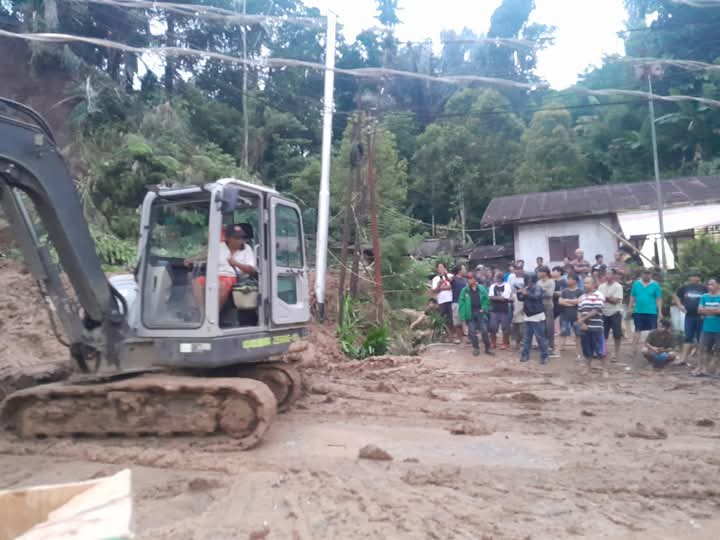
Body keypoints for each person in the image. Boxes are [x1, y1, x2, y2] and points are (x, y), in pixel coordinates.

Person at [186, 223, 257, 313]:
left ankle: (213, 314)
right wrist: (191, 260)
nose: (240, 240)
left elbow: (251, 270)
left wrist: (236, 264)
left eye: (241, 237)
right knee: (196, 281)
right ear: (228, 238)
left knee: (222, 285)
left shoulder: (247, 249)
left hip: (234, 277)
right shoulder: (219, 247)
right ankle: (201, 312)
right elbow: (206, 257)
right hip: (216, 276)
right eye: (236, 238)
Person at [673, 272, 708, 366]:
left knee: (701, 338)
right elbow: (676, 296)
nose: (693, 278)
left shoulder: (704, 288)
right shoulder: (684, 288)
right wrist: (680, 305)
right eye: (691, 276)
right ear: (689, 278)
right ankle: (683, 359)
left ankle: (700, 361)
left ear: (699, 278)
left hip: (702, 316)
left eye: (695, 276)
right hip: (689, 316)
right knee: (688, 337)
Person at [517, 274, 550, 364]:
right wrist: (519, 292)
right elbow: (521, 299)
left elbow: (537, 297)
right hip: (528, 316)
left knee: (540, 338)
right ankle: (525, 355)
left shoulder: (538, 287)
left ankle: (544, 356)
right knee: (527, 338)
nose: (527, 282)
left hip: (537, 316)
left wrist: (526, 293)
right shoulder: (526, 288)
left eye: (528, 280)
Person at [459, 274, 494, 357]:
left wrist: (484, 308)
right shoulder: (465, 290)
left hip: (480, 313)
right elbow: (462, 303)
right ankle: (476, 348)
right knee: (472, 332)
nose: (469, 280)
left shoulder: (481, 288)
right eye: (468, 279)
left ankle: (487, 348)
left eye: (470, 278)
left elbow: (487, 300)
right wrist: (463, 316)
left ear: (475, 279)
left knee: (484, 331)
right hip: (470, 313)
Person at [578, 277, 607, 375]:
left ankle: (604, 370)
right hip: (584, 328)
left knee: (600, 350)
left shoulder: (599, 295)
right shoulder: (582, 297)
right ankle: (587, 368)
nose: (585, 285)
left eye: (587, 283)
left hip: (596, 327)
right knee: (587, 349)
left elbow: (596, 310)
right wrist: (581, 323)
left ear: (594, 284)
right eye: (584, 283)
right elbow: (579, 311)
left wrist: (582, 320)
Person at [628, 269, 663, 349]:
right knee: (637, 330)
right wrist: (630, 308)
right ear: (641, 274)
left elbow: (659, 299)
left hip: (652, 311)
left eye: (648, 274)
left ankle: (652, 348)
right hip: (638, 311)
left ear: (651, 275)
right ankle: (633, 349)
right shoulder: (636, 284)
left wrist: (660, 311)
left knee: (653, 331)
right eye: (645, 273)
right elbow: (632, 296)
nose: (646, 275)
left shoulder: (655, 285)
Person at [694, 279, 720, 377]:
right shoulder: (704, 296)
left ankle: (717, 370)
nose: (709, 286)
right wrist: (714, 310)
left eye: (712, 284)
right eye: (708, 284)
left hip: (718, 328)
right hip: (706, 328)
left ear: (718, 285)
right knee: (704, 349)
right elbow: (699, 310)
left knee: (718, 350)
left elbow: (719, 311)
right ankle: (703, 369)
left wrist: (706, 310)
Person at [599, 269, 624, 362]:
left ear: (614, 275)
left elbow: (616, 301)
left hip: (615, 312)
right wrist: (608, 298)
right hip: (604, 312)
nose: (607, 275)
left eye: (609, 273)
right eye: (606, 273)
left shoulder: (618, 286)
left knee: (617, 335)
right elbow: (599, 299)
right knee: (603, 334)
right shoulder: (601, 286)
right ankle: (603, 352)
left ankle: (616, 354)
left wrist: (605, 298)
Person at [559, 274, 583, 361]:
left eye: (569, 279)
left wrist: (567, 300)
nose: (568, 281)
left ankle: (579, 354)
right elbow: (560, 302)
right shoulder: (564, 291)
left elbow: (580, 301)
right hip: (565, 315)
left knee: (578, 335)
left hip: (577, 316)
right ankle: (559, 352)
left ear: (575, 281)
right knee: (563, 333)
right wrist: (573, 303)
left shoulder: (580, 291)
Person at [488, 272, 513, 350]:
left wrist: (497, 298)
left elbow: (505, 297)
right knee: (492, 327)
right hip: (494, 310)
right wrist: (501, 298)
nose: (494, 278)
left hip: (504, 309)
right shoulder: (492, 286)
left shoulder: (507, 285)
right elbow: (491, 297)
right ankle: (493, 342)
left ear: (498, 278)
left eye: (495, 276)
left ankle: (504, 343)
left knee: (505, 327)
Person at [537, 266, 558, 356]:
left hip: (548, 307)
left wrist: (541, 291)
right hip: (539, 307)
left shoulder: (551, 281)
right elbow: (536, 294)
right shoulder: (538, 282)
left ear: (545, 273)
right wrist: (544, 290)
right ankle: (542, 344)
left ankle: (551, 345)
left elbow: (550, 294)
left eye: (539, 272)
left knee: (549, 327)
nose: (538, 274)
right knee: (541, 327)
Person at [431, 263, 454, 339]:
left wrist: (442, 288)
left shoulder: (450, 276)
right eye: (439, 267)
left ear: (445, 268)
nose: (441, 269)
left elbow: (452, 286)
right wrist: (438, 285)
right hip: (441, 301)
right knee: (443, 319)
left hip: (451, 299)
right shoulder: (435, 279)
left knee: (452, 318)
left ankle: (453, 335)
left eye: (442, 267)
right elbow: (434, 291)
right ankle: (445, 335)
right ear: (437, 269)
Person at [450, 265, 468, 345]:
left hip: (465, 303)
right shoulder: (453, 279)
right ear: (459, 270)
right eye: (464, 269)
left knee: (465, 320)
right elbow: (448, 279)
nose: (465, 270)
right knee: (457, 322)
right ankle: (460, 339)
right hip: (456, 302)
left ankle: (465, 338)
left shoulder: (464, 280)